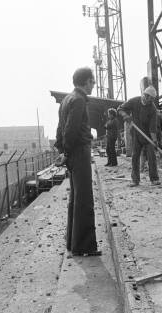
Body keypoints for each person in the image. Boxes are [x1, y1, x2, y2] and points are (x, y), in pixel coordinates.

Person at [55, 67, 101, 256]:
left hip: (72, 153)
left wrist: (62, 150)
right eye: (92, 81)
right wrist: (67, 150)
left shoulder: (67, 99)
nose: (94, 85)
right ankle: (84, 246)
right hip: (79, 151)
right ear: (86, 81)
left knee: (75, 198)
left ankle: (73, 243)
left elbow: (60, 129)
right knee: (84, 200)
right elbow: (71, 129)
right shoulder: (80, 100)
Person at [118, 86, 161, 187]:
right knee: (135, 157)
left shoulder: (152, 109)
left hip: (148, 136)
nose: (150, 102)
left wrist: (154, 141)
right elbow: (120, 108)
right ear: (145, 96)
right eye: (149, 99)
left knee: (152, 157)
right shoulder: (134, 101)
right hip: (136, 134)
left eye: (152, 100)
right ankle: (135, 180)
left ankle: (154, 179)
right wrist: (125, 115)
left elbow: (153, 128)